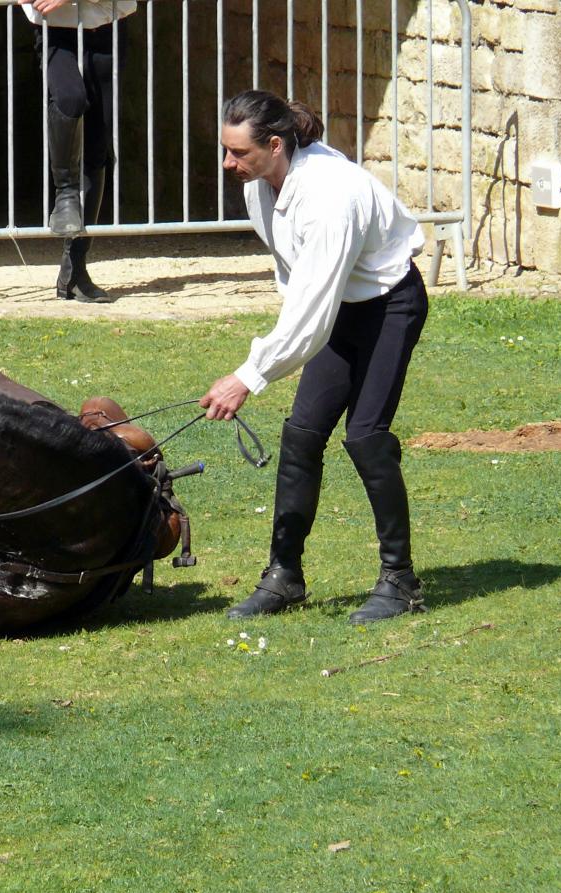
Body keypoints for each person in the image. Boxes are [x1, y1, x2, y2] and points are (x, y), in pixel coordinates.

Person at [200, 89, 430, 625]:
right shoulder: (261, 183)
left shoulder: (329, 196)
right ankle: (284, 577)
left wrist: (247, 377)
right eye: (226, 150)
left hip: (388, 304)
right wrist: (260, 364)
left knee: (366, 437)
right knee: (302, 433)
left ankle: (400, 581)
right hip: (339, 308)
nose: (228, 163)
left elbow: (312, 311)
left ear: (276, 144)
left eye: (239, 153)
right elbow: (300, 282)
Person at [20, 0, 136, 303]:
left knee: (98, 146)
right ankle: (66, 193)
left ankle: (75, 269)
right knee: (70, 99)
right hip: (55, 32)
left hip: (108, 25)